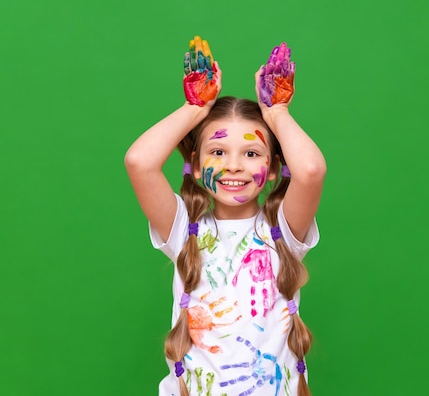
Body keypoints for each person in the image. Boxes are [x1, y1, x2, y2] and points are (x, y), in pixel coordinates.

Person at [125, 35, 326, 396]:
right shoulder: (183, 229)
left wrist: (277, 114)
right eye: (218, 151)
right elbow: (139, 162)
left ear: (273, 163)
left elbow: (310, 169)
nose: (234, 165)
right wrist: (194, 110)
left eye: (251, 153)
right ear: (197, 165)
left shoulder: (284, 231)